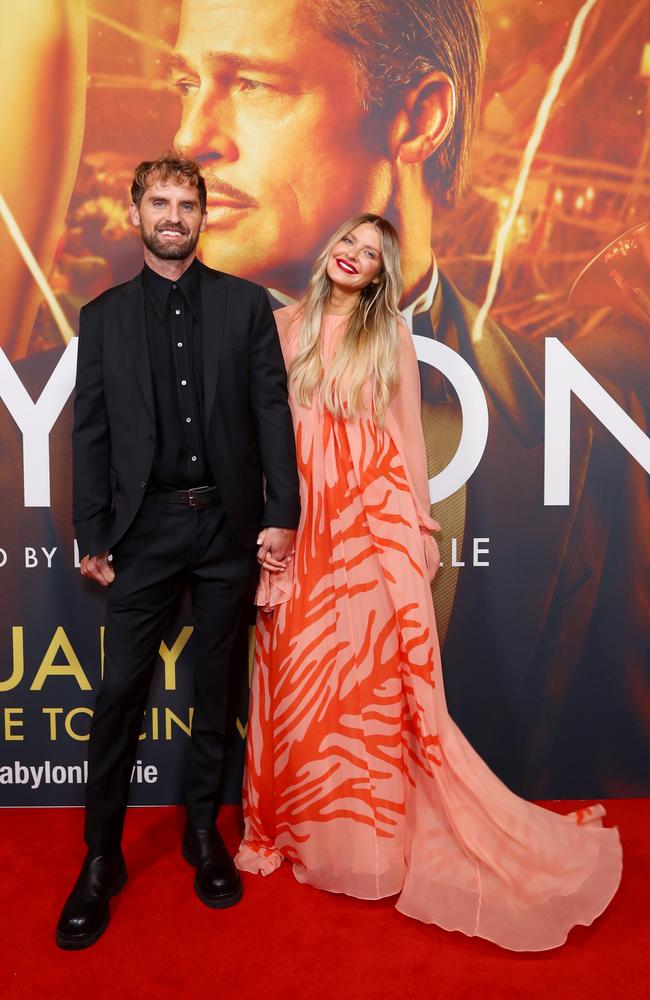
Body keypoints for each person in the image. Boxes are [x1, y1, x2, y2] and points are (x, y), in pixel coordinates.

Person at [171, 0, 650, 798]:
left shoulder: (599, 425)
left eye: (253, 83)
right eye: (187, 82)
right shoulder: (67, 423)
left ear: (420, 116)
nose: (190, 136)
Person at [235, 213, 622, 952]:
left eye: (372, 253)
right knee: (297, 683)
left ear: (382, 274)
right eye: (349, 242)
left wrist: (417, 528)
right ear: (331, 251)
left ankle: (370, 847)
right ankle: (306, 832)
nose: (354, 256)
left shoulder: (393, 338)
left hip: (371, 531)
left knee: (366, 691)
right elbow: (258, 435)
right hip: (299, 529)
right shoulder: (278, 327)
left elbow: (407, 436)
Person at [55, 152, 300, 950]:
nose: (172, 215)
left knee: (214, 692)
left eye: (185, 202)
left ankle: (203, 836)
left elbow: (272, 413)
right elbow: (88, 432)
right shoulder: (103, 317)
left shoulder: (244, 306)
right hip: (145, 532)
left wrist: (281, 511)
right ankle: (101, 858)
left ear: (203, 216)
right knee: (120, 692)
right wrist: (93, 531)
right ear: (136, 213)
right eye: (158, 202)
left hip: (228, 529)